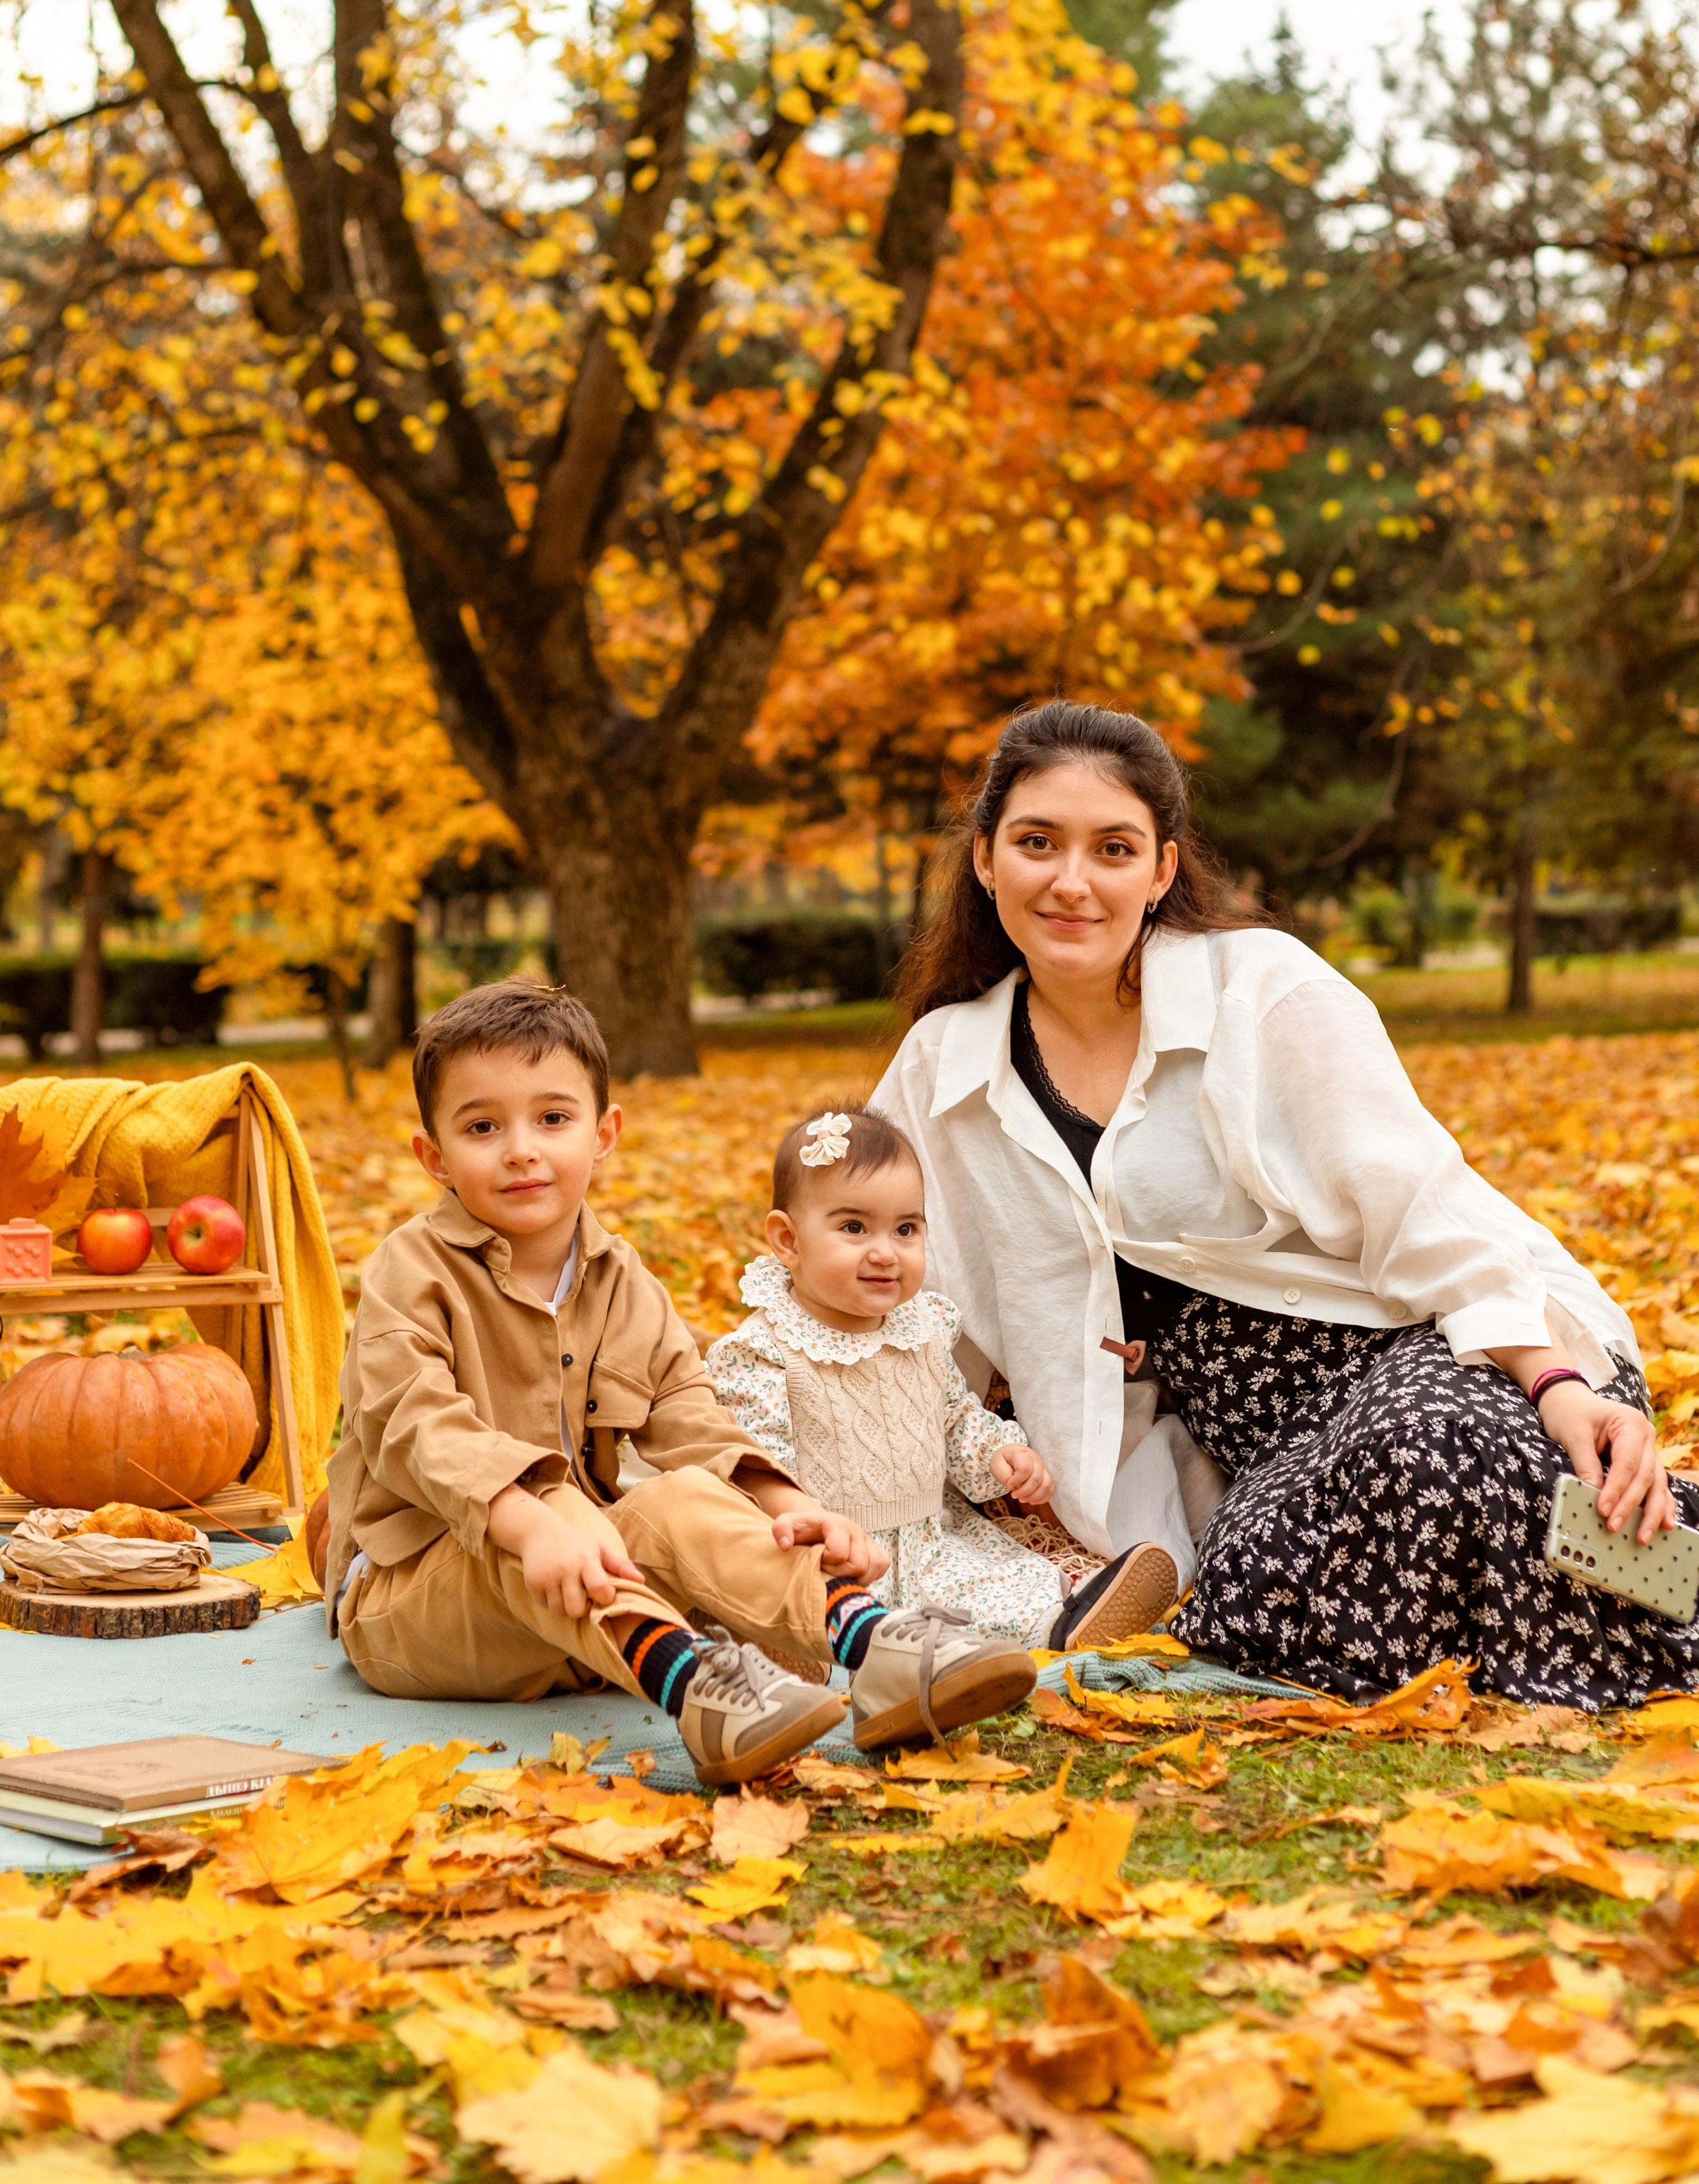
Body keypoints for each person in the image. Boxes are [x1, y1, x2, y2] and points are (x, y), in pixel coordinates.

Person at [873, 700, 1699, 1708]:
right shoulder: (941, 1068)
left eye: (1115, 848)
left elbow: (1422, 1211)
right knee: (1252, 1588)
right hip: (1245, 1436)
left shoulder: (1258, 991)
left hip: (1414, 1340)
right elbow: (889, 1295)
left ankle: (1654, 1599)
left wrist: (1562, 1384)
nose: (1073, 881)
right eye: (1038, 843)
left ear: (1163, 871)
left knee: (1438, 1451)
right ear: (988, 859)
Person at [322, 979, 1038, 1777]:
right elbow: (417, 1428)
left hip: (592, 1595)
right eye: (483, 1126)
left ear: (603, 1134)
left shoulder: (620, 1278)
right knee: (553, 1501)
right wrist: (535, 1523)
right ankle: (703, 1692)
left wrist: (798, 1508)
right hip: (419, 1606)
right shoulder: (410, 1273)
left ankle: (871, 1644)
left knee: (680, 1496)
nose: (521, 1148)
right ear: (435, 1157)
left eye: (552, 1119)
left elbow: (689, 1416)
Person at [707, 1103, 1174, 1661]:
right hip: (831, 1560)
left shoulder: (922, 1328)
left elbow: (953, 1418)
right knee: (830, 1617)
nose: (885, 1251)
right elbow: (757, 1471)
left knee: (1004, 1590)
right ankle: (828, 1649)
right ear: (788, 1240)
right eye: (853, 1227)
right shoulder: (764, 1351)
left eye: (906, 1229)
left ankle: (1063, 1623)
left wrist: (998, 1454)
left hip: (931, 1544)